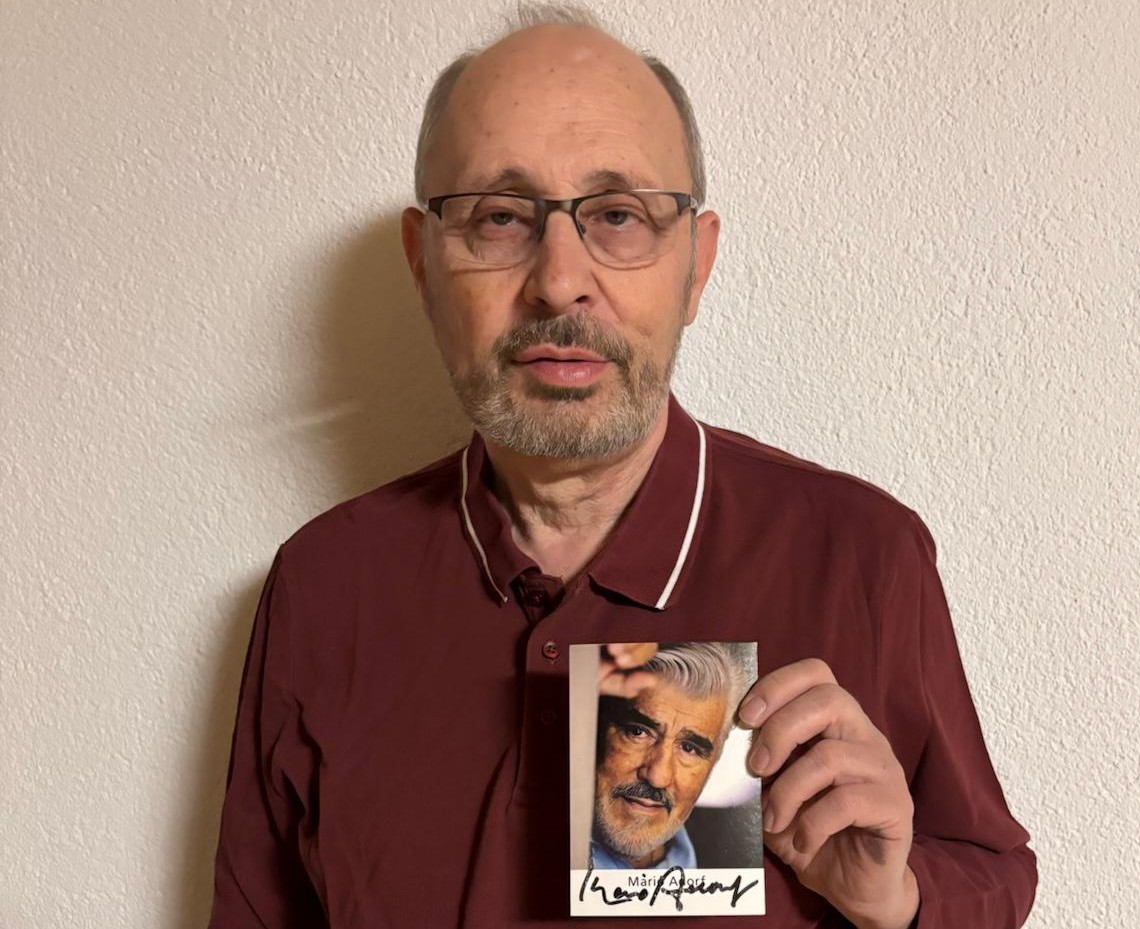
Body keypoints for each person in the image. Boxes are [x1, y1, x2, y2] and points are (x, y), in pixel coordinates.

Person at [208, 5, 1037, 928]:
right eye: (499, 217)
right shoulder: (323, 586)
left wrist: (900, 901)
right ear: (423, 262)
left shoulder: (862, 555)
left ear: (696, 265)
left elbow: (990, 874)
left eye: (617, 215)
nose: (559, 280)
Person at [589, 642, 751, 870]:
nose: (657, 776)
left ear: (716, 758)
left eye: (690, 748)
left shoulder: (738, 857)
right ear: (596, 727)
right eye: (638, 732)